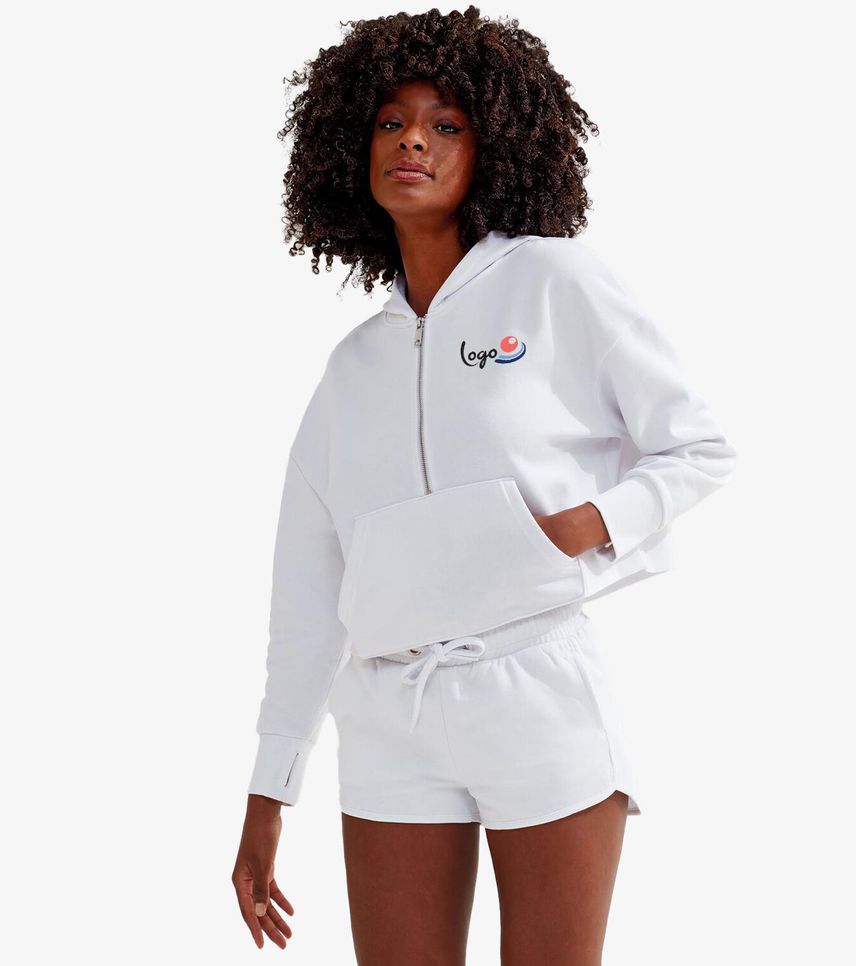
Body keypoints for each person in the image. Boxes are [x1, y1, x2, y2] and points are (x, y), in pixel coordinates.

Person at [231, 7, 736, 963]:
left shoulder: (553, 283)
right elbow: (307, 596)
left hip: (534, 688)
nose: (412, 140)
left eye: (445, 123)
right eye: (390, 122)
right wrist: (270, 789)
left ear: (493, 146)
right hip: (389, 715)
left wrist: (587, 524)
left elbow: (698, 445)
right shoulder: (352, 369)